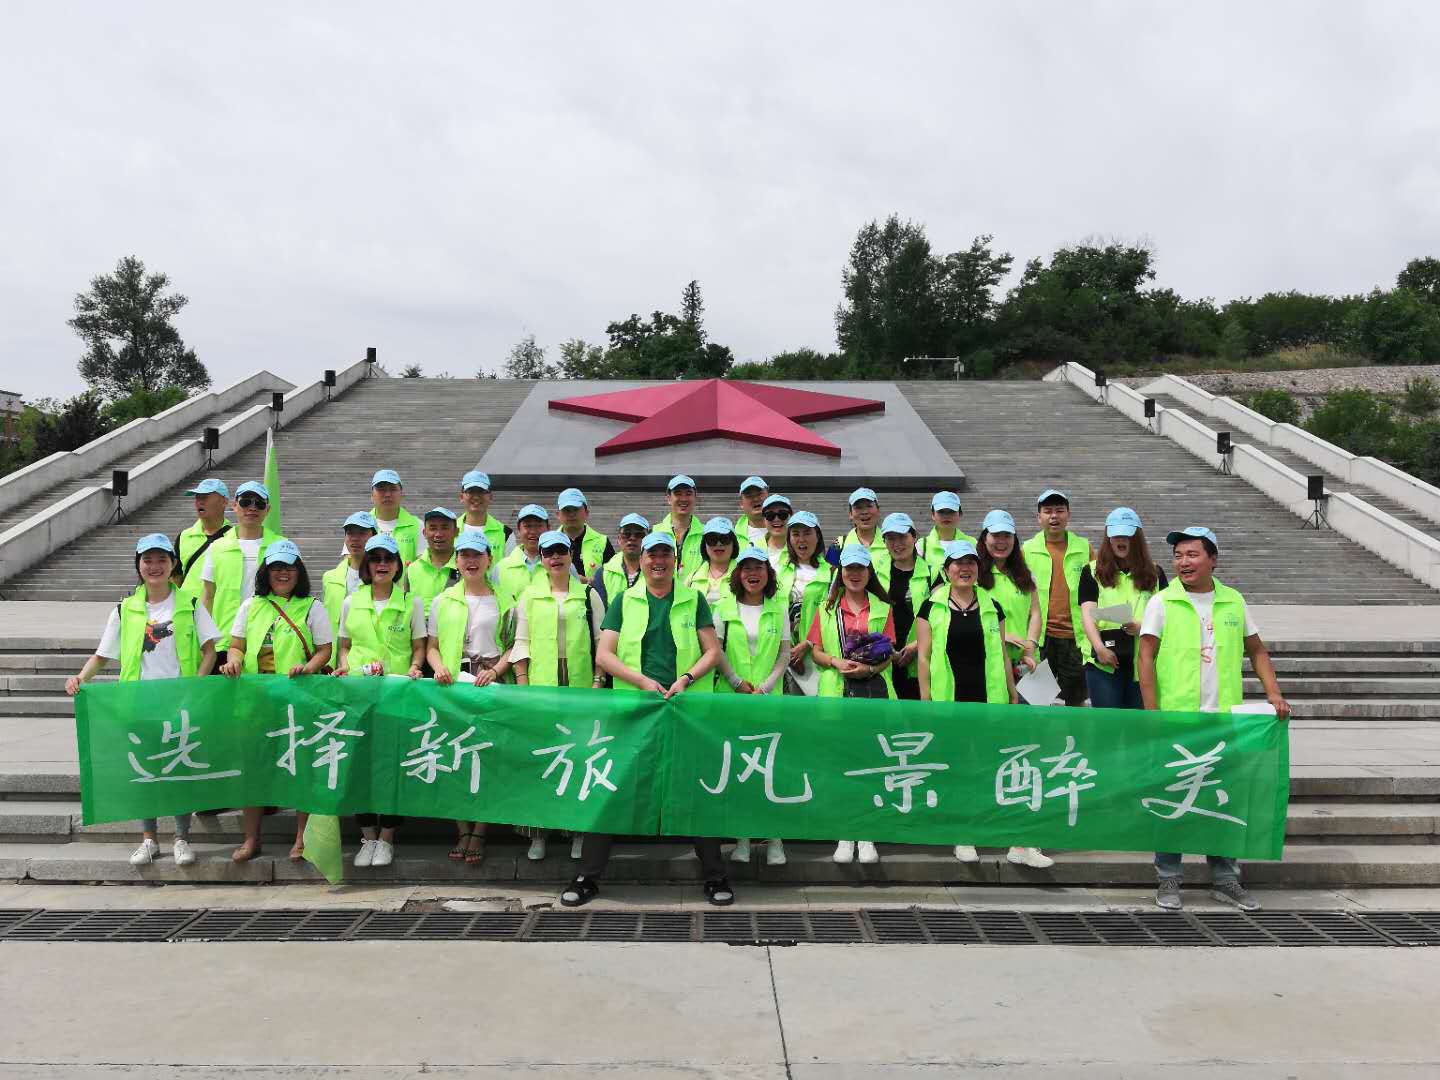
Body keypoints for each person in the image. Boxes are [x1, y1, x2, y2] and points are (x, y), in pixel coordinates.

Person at [560, 531, 729, 908]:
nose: (658, 561)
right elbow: (605, 655)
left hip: (684, 709)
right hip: (635, 710)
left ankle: (716, 876)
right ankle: (587, 876)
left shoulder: (693, 599)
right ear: (643, 558)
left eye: (665, 554)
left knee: (695, 791)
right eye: (652, 554)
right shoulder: (625, 599)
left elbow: (712, 651)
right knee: (611, 787)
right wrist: (641, 682)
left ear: (675, 561)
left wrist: (686, 679)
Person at [1139, 527, 1291, 913]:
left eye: (1192, 554)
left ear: (1213, 559)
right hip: (1178, 722)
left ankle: (1225, 879)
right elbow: (1145, 658)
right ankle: (1169, 877)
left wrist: (1273, 693)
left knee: (1223, 799)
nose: (1183, 562)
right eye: (1178, 556)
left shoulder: (1233, 601)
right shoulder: (1162, 601)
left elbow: (1257, 650)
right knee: (1173, 798)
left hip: (1224, 722)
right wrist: (1152, 713)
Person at [65, 534, 220, 867]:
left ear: (173, 564)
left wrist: (195, 686)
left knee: (178, 768)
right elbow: (102, 656)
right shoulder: (125, 609)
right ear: (138, 565)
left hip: (179, 703)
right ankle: (149, 838)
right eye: (147, 560)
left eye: (162, 559)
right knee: (145, 770)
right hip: (139, 703)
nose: (154, 566)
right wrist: (80, 678)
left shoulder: (191, 604)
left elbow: (210, 650)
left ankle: (181, 837)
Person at [915, 541, 1049, 869]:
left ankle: (1018, 843)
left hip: (990, 700)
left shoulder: (992, 605)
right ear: (946, 569)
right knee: (959, 769)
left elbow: (1001, 654)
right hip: (951, 702)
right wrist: (925, 699)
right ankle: (964, 835)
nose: (965, 568)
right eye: (958, 563)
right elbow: (923, 657)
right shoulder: (930, 607)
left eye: (971, 563)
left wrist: (1012, 694)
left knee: (1000, 767)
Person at [219, 540, 332, 863]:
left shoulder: (312, 607)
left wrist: (308, 668)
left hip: (298, 699)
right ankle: (251, 838)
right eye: (276, 567)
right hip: (256, 701)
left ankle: (301, 838)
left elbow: (325, 650)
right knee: (254, 769)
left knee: (301, 766)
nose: (283, 573)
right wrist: (234, 661)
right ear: (265, 573)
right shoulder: (251, 606)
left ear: (299, 571)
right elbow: (236, 645)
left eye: (289, 567)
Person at [510, 529, 607, 861]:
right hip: (541, 687)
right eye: (548, 552)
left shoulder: (588, 595)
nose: (555, 558)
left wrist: (598, 681)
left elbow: (601, 643)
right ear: (540, 558)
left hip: (580, 687)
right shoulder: (529, 595)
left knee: (579, 759)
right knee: (542, 759)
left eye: (560, 552)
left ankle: (577, 832)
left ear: (570, 555)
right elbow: (521, 643)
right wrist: (523, 686)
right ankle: (538, 833)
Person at [333, 534, 426, 868]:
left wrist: (415, 667)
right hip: (359, 694)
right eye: (375, 559)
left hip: (396, 695)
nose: (382, 565)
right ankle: (367, 836)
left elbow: (419, 647)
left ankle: (387, 837)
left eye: (388, 559)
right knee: (359, 765)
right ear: (366, 566)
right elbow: (344, 645)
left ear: (398, 565)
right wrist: (345, 668)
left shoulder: (411, 602)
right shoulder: (351, 602)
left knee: (392, 765)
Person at [427, 529, 515, 866]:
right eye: (464, 555)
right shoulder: (443, 600)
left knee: (485, 757)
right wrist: (439, 667)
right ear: (457, 560)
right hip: (453, 688)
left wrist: (496, 670)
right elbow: (432, 646)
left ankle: (480, 829)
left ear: (489, 559)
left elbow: (516, 645)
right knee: (454, 756)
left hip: (489, 685)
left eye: (477, 555)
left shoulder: (506, 599)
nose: (471, 561)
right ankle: (461, 828)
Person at [809, 544, 895, 866]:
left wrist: (869, 669)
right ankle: (845, 832)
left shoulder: (883, 607)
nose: (855, 574)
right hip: (837, 692)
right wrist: (836, 661)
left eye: (861, 568)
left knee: (870, 761)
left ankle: (867, 832)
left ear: (869, 572)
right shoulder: (827, 607)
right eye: (849, 568)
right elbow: (816, 651)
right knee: (841, 763)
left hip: (873, 691)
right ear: (841, 572)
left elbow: (889, 653)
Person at [714, 546, 791, 867]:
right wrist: (735, 681)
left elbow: (784, 653)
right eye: (746, 568)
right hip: (733, 700)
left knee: (770, 770)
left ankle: (775, 839)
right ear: (738, 574)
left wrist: (768, 685)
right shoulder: (724, 607)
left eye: (759, 568)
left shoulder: (778, 608)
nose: (752, 574)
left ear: (768, 573)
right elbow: (715, 650)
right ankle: (742, 839)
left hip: (768, 701)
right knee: (739, 770)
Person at [1079, 508, 1166, 710]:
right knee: (1108, 723)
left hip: (1144, 660)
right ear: (1108, 538)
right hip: (1104, 661)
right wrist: (1099, 649)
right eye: (1116, 535)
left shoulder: (1155, 572)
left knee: (1138, 724)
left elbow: (1166, 616)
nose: (1121, 540)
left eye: (1127, 535)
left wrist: (1142, 626)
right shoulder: (1092, 571)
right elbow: (1087, 614)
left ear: (1137, 538)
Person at [200, 481, 286, 669]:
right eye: (246, 502)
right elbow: (208, 595)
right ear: (235, 506)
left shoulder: (282, 547)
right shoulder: (217, 547)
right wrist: (203, 637)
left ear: (268, 509)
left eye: (259, 503)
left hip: (269, 642)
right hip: (224, 641)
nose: (252, 508)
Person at [1021, 489, 1093, 707]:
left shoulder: (1084, 547)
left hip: (1075, 638)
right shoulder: (1027, 550)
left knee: (1076, 701)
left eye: (1059, 510)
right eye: (1048, 511)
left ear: (1068, 515)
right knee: (1038, 703)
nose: (1054, 516)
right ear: (1039, 517)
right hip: (1041, 639)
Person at [975, 510, 1043, 684]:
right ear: (984, 538)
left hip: (1024, 663)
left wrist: (1030, 646)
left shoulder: (1025, 575)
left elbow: (1035, 613)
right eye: (996, 535)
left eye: (1007, 535)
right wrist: (1002, 635)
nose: (1002, 541)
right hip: (986, 660)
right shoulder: (973, 575)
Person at [877, 512, 934, 701]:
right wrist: (885, 647)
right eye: (891, 538)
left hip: (921, 657)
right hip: (884, 658)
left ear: (914, 537)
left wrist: (917, 645)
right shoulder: (875, 572)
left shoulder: (932, 574)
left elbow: (940, 617)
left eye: (902, 537)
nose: (897, 544)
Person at [775, 511, 832, 696]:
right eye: (796, 534)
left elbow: (832, 616)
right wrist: (787, 649)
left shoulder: (832, 573)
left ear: (818, 536)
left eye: (807, 533)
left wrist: (807, 644)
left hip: (818, 654)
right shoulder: (778, 572)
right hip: (785, 656)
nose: (801, 539)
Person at [322, 512, 377, 644]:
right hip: (336, 650)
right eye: (350, 533)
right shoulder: (330, 577)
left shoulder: (382, 577)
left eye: (362, 533)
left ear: (375, 537)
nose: (355, 539)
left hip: (367, 650)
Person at [175, 478, 231, 598]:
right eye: (197, 497)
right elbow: (175, 577)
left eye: (205, 497)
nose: (199, 502)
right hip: (187, 607)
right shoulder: (184, 536)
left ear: (224, 502)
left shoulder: (235, 538)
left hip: (218, 606)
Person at [405, 507, 460, 619]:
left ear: (456, 532)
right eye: (433, 528)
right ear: (424, 533)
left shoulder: (465, 569)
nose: (438, 534)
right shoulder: (412, 570)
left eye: (445, 528)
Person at [494, 504, 549, 605]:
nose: (533, 531)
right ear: (518, 530)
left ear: (548, 528)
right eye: (527, 526)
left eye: (538, 526)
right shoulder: (501, 568)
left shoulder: (561, 564)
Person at [592, 512, 649, 609]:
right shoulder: (603, 573)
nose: (632, 538)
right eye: (626, 534)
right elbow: (600, 612)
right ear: (618, 539)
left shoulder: (658, 571)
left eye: (639, 535)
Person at [556, 487, 613, 579]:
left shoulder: (602, 542)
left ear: (586, 512)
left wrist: (591, 583)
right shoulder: (548, 543)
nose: (571, 514)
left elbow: (612, 578)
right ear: (558, 515)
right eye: (567, 510)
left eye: (576, 509)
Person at [369, 468, 421, 565]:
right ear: (372, 495)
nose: (388, 494)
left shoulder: (418, 525)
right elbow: (352, 562)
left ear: (401, 494)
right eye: (381, 489)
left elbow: (424, 564)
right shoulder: (360, 525)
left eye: (393, 489)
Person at [686, 516, 739, 605]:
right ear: (704, 545)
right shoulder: (692, 578)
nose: (718, 544)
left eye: (724, 539)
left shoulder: (743, 576)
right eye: (712, 539)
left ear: (734, 543)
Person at [458, 470, 512, 557]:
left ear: (490, 497)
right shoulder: (449, 531)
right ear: (461, 497)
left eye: (481, 491)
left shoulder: (506, 533)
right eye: (470, 491)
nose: (476, 497)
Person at [656, 474, 703, 572]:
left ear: (695, 497)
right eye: (678, 493)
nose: (683, 499)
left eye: (688, 493)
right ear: (669, 498)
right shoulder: (654, 533)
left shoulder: (707, 535)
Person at [915, 491, 975, 568]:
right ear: (933, 515)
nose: (946, 516)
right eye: (941, 512)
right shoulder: (921, 546)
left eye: (951, 511)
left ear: (960, 514)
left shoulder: (972, 544)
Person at [842, 487, 890, 581]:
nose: (864, 512)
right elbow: (830, 580)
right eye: (858, 507)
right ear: (850, 514)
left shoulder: (892, 543)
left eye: (869, 506)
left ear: (878, 510)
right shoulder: (839, 545)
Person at [760, 494, 792, 568]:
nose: (776, 519)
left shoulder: (802, 550)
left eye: (783, 514)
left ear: (791, 517)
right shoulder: (753, 548)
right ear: (764, 519)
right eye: (770, 515)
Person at [737, 476, 769, 546]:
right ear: (741, 503)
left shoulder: (788, 533)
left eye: (759, 494)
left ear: (768, 496)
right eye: (749, 496)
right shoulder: (731, 537)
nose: (755, 499)